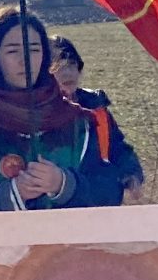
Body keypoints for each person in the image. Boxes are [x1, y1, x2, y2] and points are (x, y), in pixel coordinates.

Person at [0, 7, 124, 214]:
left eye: (34, 50)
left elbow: (109, 193)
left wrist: (63, 184)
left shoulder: (78, 124)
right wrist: (9, 195)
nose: (25, 60)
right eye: (13, 51)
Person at [49, 37, 145, 202]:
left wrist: (131, 173)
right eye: (58, 67)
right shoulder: (38, 113)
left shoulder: (96, 106)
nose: (67, 73)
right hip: (61, 204)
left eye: (72, 64)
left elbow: (117, 147)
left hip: (102, 202)